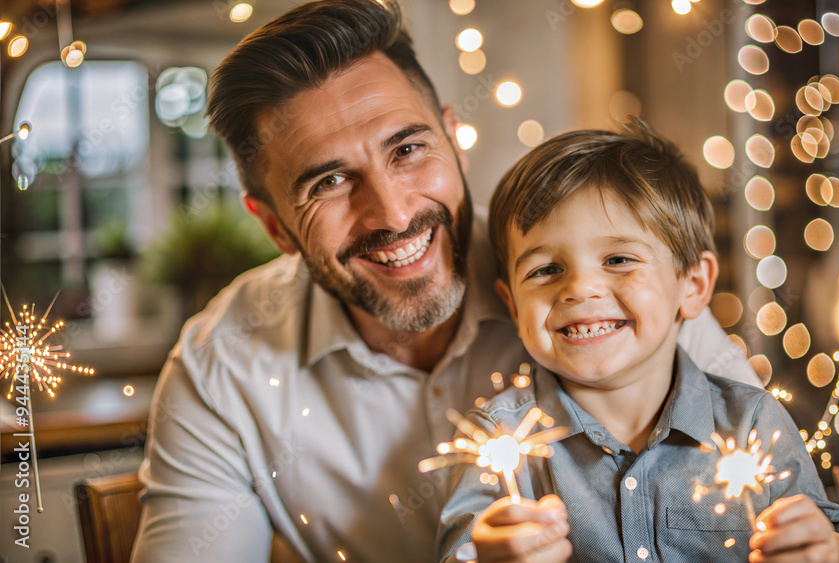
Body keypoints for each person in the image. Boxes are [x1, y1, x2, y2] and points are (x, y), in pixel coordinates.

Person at [130, 2, 759, 561]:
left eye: (407, 150)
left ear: (455, 139)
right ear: (274, 226)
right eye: (328, 183)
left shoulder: (602, 285)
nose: (395, 213)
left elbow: (768, 475)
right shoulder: (222, 368)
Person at [436, 124, 839, 563]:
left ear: (692, 285)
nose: (579, 289)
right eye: (545, 270)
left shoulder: (751, 421)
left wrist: (828, 550)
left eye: (619, 259)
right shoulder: (500, 439)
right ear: (513, 305)